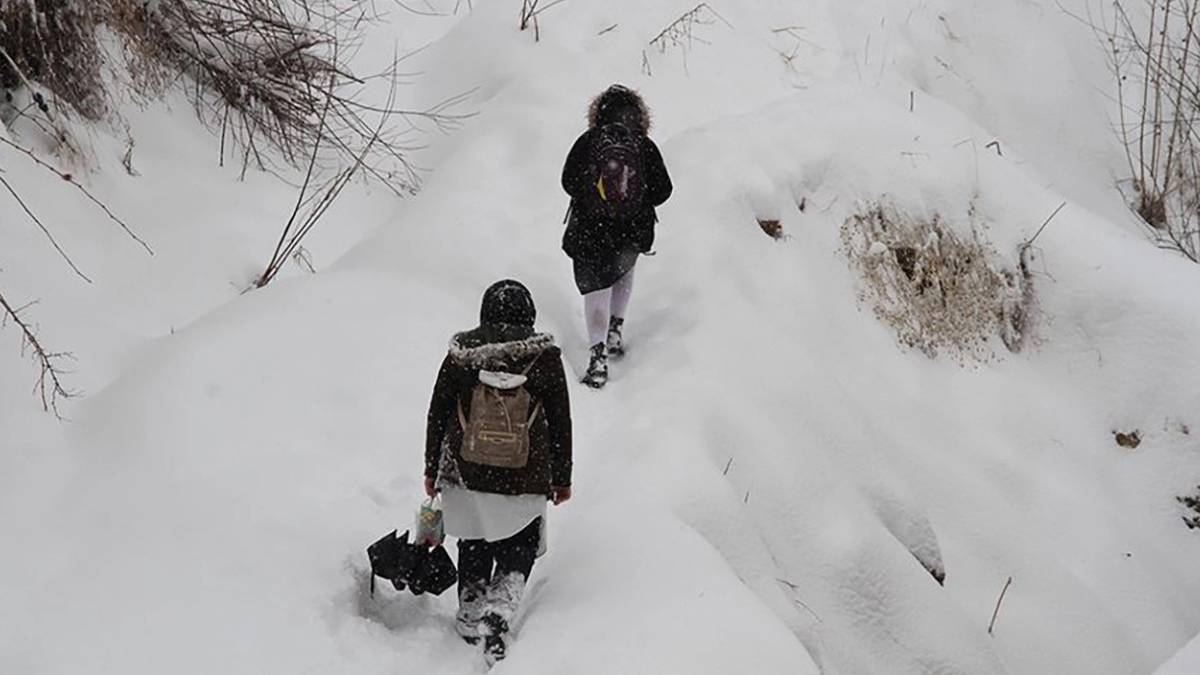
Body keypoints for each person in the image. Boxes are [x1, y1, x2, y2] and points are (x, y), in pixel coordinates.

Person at [424, 279, 573, 665]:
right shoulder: (545, 359)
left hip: (465, 469)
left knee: (473, 537)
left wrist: (430, 468)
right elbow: (560, 421)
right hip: (525, 473)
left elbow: (438, 412)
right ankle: (502, 605)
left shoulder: (463, 356)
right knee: (519, 542)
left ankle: (471, 605)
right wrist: (562, 478)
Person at [561, 84, 673, 388]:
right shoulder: (644, 145)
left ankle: (597, 356)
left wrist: (594, 197)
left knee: (595, 289)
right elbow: (664, 190)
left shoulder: (588, 141)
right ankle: (615, 329)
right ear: (640, 115)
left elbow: (567, 181)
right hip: (630, 231)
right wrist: (634, 199)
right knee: (623, 270)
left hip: (589, 231)